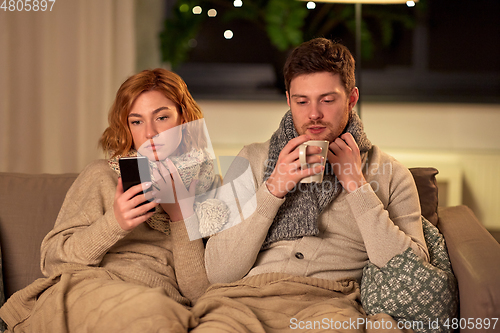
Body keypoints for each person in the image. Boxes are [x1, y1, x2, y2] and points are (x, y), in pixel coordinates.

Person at [190, 38, 430, 332]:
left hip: (329, 304)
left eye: (327, 100)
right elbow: (219, 271)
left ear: (352, 99)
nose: (313, 113)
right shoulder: (251, 158)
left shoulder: (391, 173)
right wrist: (273, 189)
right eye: (302, 101)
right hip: (242, 301)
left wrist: (357, 186)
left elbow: (410, 271)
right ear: (289, 100)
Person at [0, 68, 216, 333]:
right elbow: (52, 261)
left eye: (161, 117)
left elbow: (201, 294)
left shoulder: (210, 188)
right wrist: (115, 222)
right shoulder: (102, 175)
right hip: (91, 291)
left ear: (183, 118)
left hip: (159, 306)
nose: (150, 133)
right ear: (126, 126)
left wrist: (181, 214)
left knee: (155, 314)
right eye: (136, 121)